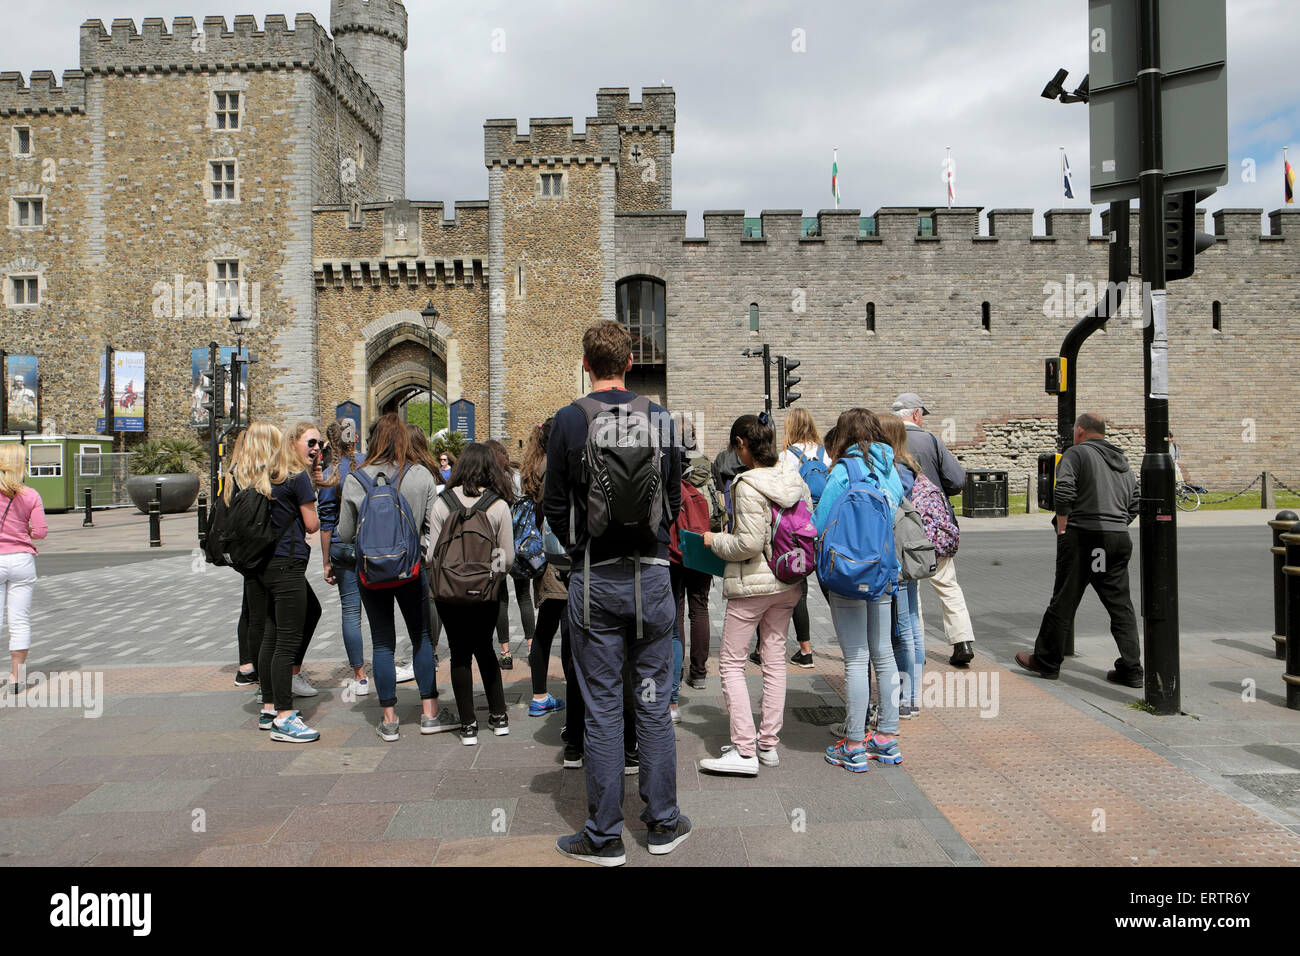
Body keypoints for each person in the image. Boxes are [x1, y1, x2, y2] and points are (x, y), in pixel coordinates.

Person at [545, 320, 689, 866]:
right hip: (652, 577)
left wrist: (583, 541)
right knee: (653, 706)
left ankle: (603, 837)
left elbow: (553, 504)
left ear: (586, 364)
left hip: (594, 580)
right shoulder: (660, 418)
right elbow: (674, 500)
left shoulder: (568, 420)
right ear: (631, 364)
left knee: (603, 708)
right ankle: (662, 825)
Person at [698, 414, 809, 775]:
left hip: (753, 585)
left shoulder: (746, 484)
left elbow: (746, 544)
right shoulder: (792, 477)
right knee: (775, 661)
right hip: (788, 581)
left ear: (742, 444)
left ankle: (744, 751)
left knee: (731, 663)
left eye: (735, 447)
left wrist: (715, 541)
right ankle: (768, 745)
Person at [336, 414, 453, 739]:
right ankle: (429, 713)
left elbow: (345, 534)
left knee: (383, 643)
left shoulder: (356, 479)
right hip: (411, 571)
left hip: (371, 573)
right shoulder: (420, 475)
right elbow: (433, 530)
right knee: (421, 638)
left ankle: (389, 720)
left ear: (373, 441)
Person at [1016, 412, 1143, 687]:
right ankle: (1132, 669)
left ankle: (1047, 662)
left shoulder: (1076, 454)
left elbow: (1063, 492)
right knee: (1120, 607)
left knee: (1063, 600)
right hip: (1117, 538)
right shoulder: (1123, 462)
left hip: (1083, 536)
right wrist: (1117, 524)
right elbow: (1135, 503)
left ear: (1081, 431)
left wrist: (1063, 528)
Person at [814, 408, 905, 770]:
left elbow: (820, 523)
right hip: (882, 569)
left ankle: (853, 744)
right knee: (883, 654)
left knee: (855, 658)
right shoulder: (890, 468)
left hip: (848, 572)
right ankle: (886, 738)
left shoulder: (841, 471)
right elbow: (896, 508)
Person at [429, 442, 515, 744]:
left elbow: (431, 555)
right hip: (486, 592)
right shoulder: (497, 505)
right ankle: (498, 715)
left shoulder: (442, 502)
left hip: (448, 593)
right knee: (485, 649)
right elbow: (507, 557)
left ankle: (467, 725)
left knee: (459, 654)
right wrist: (491, 576)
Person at [246, 422, 322, 743]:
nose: (317, 448)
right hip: (288, 564)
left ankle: (267, 707)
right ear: (294, 442)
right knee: (286, 642)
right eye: (312, 442)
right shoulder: (297, 476)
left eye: (321, 444)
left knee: (271, 634)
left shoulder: (269, 473)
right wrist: (314, 496)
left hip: (265, 564)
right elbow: (312, 524)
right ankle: (284, 716)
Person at [893, 392, 975, 668]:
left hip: (903, 525)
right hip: (933, 523)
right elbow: (956, 479)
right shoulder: (930, 440)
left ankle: (915, 647)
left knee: (910, 586)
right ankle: (962, 642)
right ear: (916, 414)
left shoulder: (886, 441)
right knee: (947, 584)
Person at [318, 419, 369, 695]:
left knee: (351, 611)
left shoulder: (329, 474)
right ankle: (385, 661)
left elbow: (326, 523)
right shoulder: (367, 465)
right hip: (369, 546)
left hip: (340, 546)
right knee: (379, 610)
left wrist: (326, 561)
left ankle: (360, 675)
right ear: (356, 437)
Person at [879, 415, 925, 719]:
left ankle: (907, 697)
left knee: (904, 628)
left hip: (899, 552)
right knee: (911, 624)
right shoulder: (908, 466)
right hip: (908, 551)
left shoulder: (896, 470)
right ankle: (912, 693)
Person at [780, 408, 832, 668]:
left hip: (800, 528)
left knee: (800, 590)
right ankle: (850, 639)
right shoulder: (825, 453)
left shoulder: (786, 456)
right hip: (826, 525)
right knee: (831, 585)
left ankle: (806, 650)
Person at [522, 420, 566, 717]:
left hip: (543, 557)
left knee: (545, 629)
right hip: (558, 557)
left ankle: (539, 694)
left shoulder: (534, 467)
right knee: (567, 630)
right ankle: (543, 696)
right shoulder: (553, 467)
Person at [485, 439, 536, 669]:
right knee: (524, 596)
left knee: (501, 598)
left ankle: (505, 652)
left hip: (496, 547)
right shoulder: (517, 477)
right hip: (520, 545)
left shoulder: (488, 481)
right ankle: (531, 646)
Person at [0, 443, 46, 688]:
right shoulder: (30, 495)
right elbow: (40, 532)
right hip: (21, 559)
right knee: (19, 620)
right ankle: (17, 677)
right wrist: (26, 530)